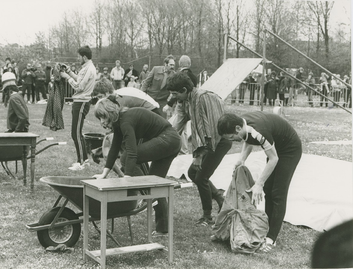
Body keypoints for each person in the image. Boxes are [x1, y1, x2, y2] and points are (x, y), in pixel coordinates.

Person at [93, 98, 181, 236]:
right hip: (171, 142)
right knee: (155, 185)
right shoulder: (119, 123)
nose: (102, 122)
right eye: (99, 118)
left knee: (126, 157)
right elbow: (114, 149)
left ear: (111, 112)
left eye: (103, 117)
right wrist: (103, 174)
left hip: (168, 139)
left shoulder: (126, 121)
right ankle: (163, 229)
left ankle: (142, 188)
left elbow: (132, 152)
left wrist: (128, 178)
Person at [217, 112, 302, 252]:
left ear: (238, 128)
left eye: (232, 137)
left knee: (278, 193)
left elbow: (274, 159)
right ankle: (267, 228)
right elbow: (248, 139)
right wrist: (241, 159)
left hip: (289, 150)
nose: (233, 141)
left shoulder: (258, 131)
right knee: (269, 191)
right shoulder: (243, 124)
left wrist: (259, 183)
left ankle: (271, 239)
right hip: (276, 148)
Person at [166, 72, 232, 226]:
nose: (174, 97)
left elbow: (212, 128)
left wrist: (199, 155)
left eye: (175, 94)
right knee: (192, 173)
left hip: (219, 141)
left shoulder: (203, 98)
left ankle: (207, 216)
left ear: (184, 89)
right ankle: (220, 199)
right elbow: (176, 124)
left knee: (201, 177)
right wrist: (163, 137)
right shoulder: (185, 101)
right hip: (206, 143)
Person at [60, 45, 97, 171]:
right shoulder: (86, 67)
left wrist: (66, 77)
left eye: (79, 57)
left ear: (84, 57)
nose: (77, 59)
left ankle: (82, 162)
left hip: (81, 102)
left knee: (76, 133)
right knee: (76, 133)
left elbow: (79, 86)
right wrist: (70, 72)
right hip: (79, 102)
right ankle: (83, 160)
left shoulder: (88, 68)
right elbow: (80, 79)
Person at [42, 65, 65, 131]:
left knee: (57, 108)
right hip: (54, 93)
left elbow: (59, 79)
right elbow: (56, 79)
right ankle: (53, 123)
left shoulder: (62, 76)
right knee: (53, 108)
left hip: (59, 93)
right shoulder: (55, 77)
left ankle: (56, 123)